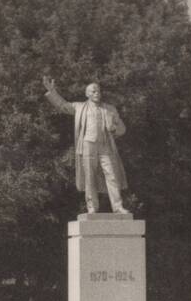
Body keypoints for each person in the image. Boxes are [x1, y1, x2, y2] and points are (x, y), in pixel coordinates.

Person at [42, 76, 129, 214]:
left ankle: (118, 207)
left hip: (105, 146)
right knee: (90, 177)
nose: (97, 93)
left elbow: (122, 129)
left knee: (112, 175)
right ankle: (92, 208)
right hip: (88, 144)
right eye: (93, 91)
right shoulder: (79, 107)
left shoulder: (109, 109)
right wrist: (52, 91)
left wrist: (114, 129)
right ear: (87, 94)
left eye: (98, 91)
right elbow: (62, 105)